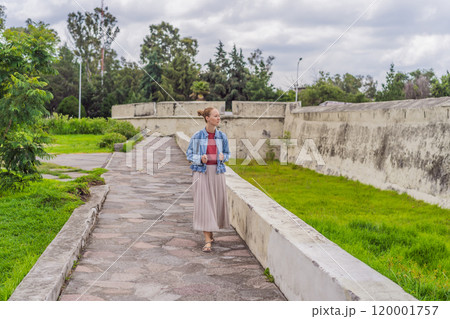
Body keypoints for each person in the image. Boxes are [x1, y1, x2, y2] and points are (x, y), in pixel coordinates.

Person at [186, 107, 231, 252]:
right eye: (215, 116)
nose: (218, 118)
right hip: (202, 173)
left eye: (219, 116)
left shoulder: (222, 136)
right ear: (207, 118)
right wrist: (200, 158)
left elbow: (228, 153)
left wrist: (224, 157)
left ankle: (210, 234)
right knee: (205, 205)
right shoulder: (197, 136)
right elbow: (189, 155)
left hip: (217, 173)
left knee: (215, 205)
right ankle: (207, 240)